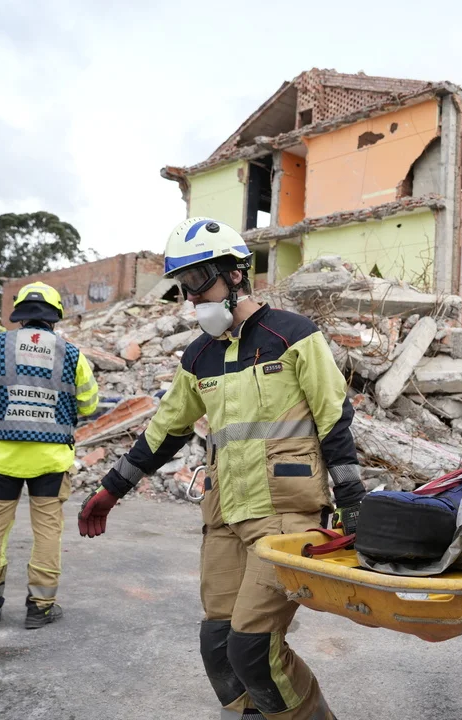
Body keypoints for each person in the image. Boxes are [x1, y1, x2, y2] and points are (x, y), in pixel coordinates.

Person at [77, 217, 365, 720]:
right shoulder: (199, 357)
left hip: (284, 515)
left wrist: (352, 500)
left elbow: (333, 416)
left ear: (235, 274)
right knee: (219, 648)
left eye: (198, 280)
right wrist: (112, 489)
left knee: (251, 647)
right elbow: (165, 431)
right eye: (182, 285)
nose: (191, 296)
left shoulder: (292, 336)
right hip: (224, 517)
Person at [0, 282, 98, 630]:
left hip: (1, 458)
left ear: (20, 314)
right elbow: (89, 404)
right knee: (47, 533)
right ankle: (39, 607)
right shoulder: (71, 354)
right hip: (50, 461)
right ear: (54, 316)